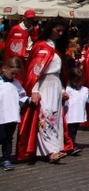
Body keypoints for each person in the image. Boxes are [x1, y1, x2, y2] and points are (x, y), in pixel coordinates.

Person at [16, 17, 73, 163]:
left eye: (62, 31)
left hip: (55, 84)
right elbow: (33, 71)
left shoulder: (57, 47)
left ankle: (55, 147)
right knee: (46, 117)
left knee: (55, 117)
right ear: (50, 29)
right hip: (43, 85)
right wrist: (34, 90)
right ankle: (51, 151)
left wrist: (62, 90)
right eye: (57, 30)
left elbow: (59, 72)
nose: (60, 33)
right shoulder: (40, 46)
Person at [0, 57, 29, 170]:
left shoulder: (16, 83)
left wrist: (30, 100)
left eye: (16, 74)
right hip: (1, 115)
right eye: (12, 73)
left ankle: (6, 159)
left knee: (8, 138)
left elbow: (21, 97)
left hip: (11, 116)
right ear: (4, 69)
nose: (14, 76)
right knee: (1, 136)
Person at [64, 66, 89, 156]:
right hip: (70, 115)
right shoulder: (67, 89)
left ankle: (71, 144)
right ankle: (70, 146)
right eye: (75, 81)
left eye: (79, 81)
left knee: (74, 130)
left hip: (78, 115)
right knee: (71, 131)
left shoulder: (84, 89)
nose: (77, 83)